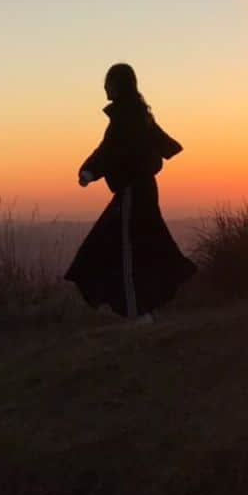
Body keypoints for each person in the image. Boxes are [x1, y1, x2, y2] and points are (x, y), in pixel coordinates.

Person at [64, 63, 196, 320]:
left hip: (133, 192)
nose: (104, 87)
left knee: (123, 248)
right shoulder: (138, 115)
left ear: (119, 85)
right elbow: (153, 146)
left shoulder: (127, 117)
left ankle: (137, 312)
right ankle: (145, 309)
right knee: (141, 244)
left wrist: (89, 172)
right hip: (141, 190)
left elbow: (109, 150)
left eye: (108, 82)